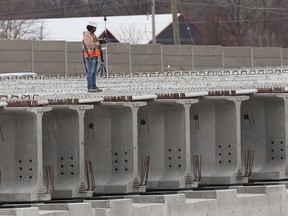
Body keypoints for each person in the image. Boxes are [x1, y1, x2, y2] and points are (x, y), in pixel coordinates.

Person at [82, 20, 105, 92]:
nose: (95, 29)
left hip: (94, 56)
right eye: (95, 28)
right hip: (90, 56)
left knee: (94, 73)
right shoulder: (87, 35)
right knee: (90, 72)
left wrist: (101, 41)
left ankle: (94, 86)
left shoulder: (92, 35)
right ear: (91, 28)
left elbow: (95, 42)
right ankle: (90, 87)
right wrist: (99, 42)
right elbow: (90, 45)